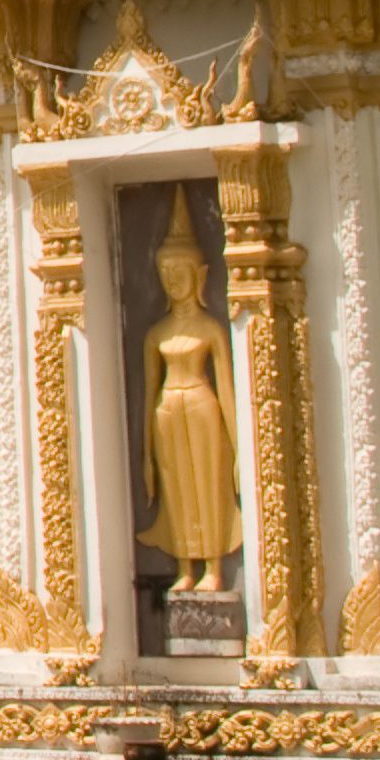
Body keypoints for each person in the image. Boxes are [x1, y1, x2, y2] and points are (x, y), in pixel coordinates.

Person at [139, 198, 243, 593]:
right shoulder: (156, 334)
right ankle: (185, 566)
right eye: (165, 271)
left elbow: (229, 393)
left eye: (179, 270)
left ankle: (214, 567)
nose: (172, 278)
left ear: (198, 275)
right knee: (177, 489)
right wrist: (146, 457)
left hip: (202, 407)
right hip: (167, 412)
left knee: (208, 485)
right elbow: (149, 396)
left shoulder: (211, 329)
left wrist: (238, 452)